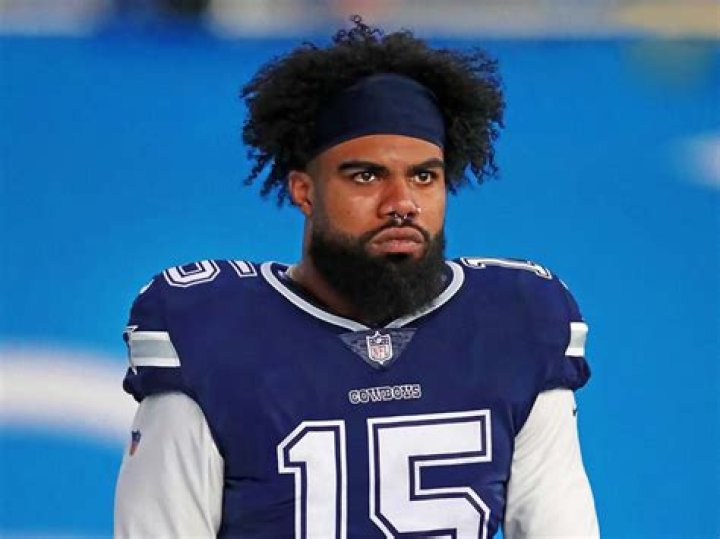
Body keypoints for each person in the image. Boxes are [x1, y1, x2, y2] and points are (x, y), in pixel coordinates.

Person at [114, 17, 599, 538]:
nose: (402, 203)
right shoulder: (213, 334)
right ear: (304, 190)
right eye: (366, 175)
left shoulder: (516, 325)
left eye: (424, 176)